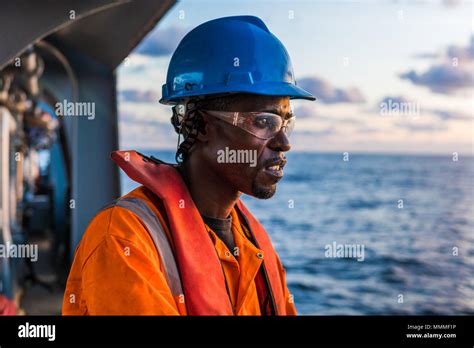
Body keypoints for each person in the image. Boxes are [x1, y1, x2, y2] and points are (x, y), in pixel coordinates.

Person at [62, 15, 315, 315]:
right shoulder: (124, 240)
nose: (284, 142)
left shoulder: (252, 243)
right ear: (204, 126)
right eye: (264, 121)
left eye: (286, 121)